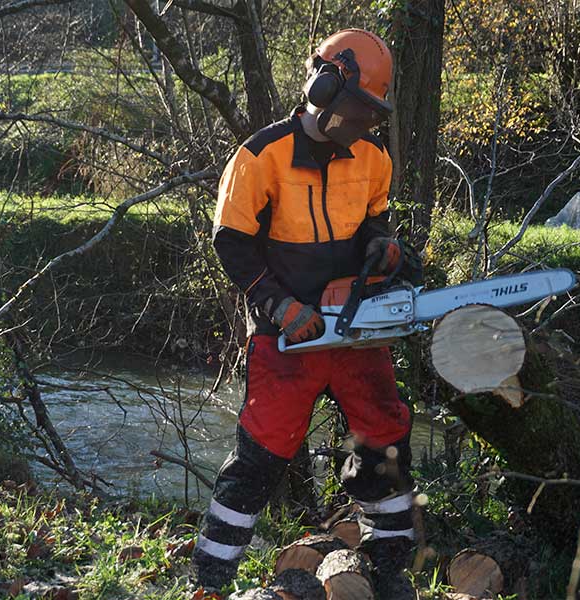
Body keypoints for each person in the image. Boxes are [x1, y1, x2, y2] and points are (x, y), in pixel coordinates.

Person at [191, 28, 419, 600]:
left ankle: (389, 570)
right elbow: (231, 243)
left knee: (384, 440)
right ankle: (211, 579)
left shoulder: (373, 155)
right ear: (324, 86)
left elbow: (374, 219)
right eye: (358, 108)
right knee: (261, 454)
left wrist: (382, 247)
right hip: (287, 332)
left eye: (371, 112)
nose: (363, 122)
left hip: (356, 328)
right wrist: (279, 304)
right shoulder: (260, 156)